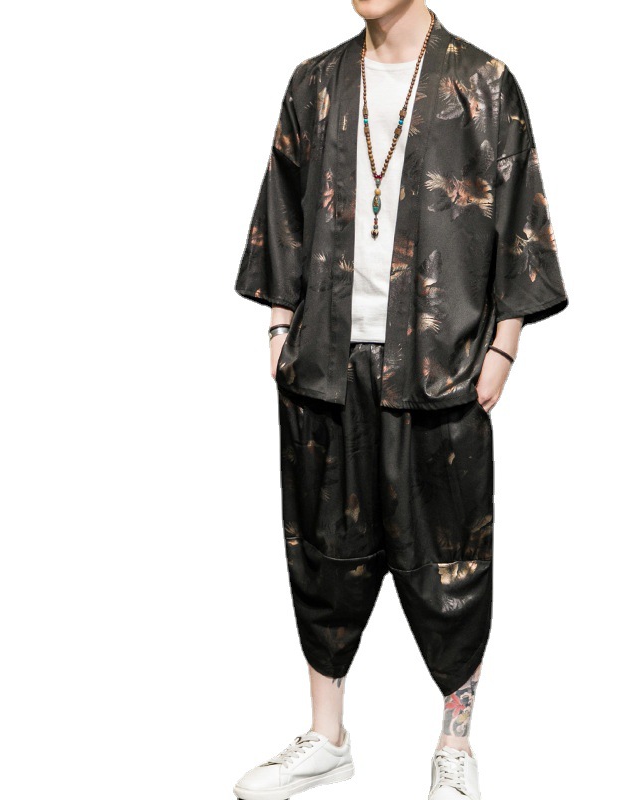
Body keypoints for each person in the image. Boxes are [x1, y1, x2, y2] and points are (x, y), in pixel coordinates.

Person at [233, 1, 567, 797]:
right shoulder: (315, 82)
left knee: (451, 554)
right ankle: (327, 737)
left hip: (439, 363)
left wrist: (504, 347)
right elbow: (283, 208)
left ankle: (455, 742)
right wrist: (278, 327)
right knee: (322, 550)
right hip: (324, 363)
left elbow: (519, 211)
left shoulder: (482, 82)